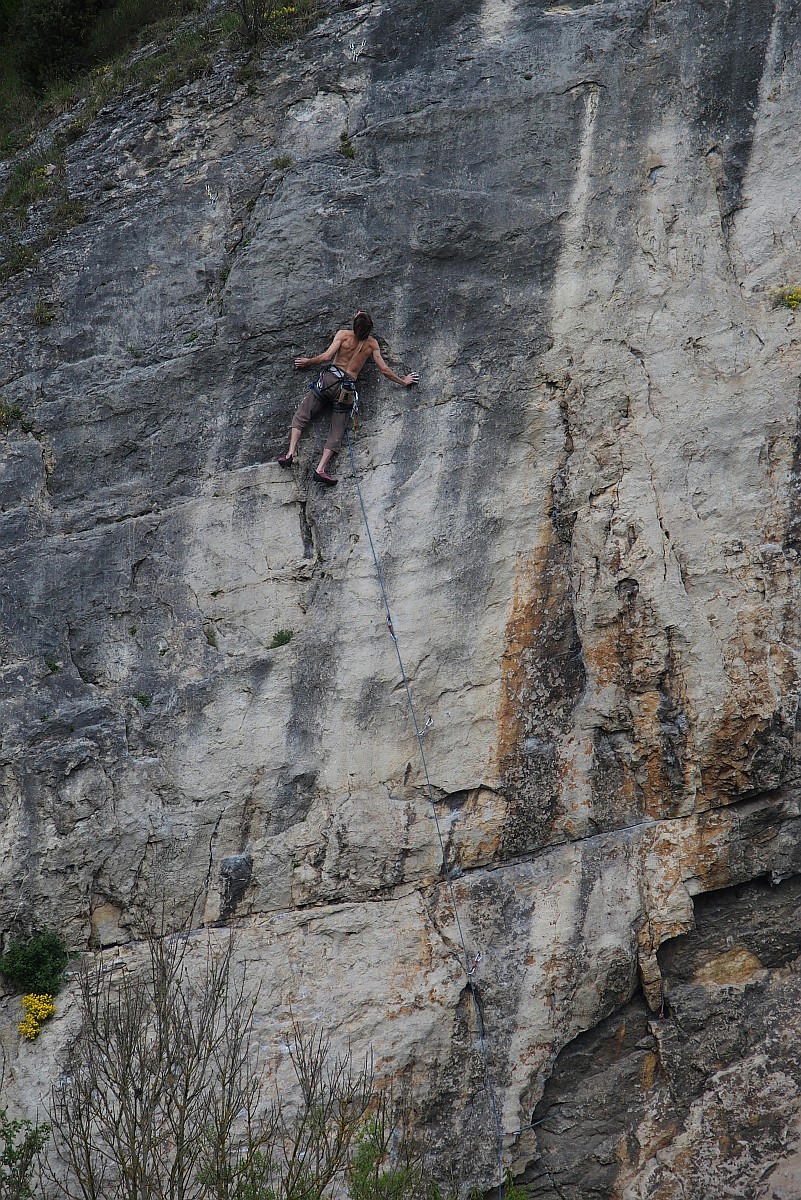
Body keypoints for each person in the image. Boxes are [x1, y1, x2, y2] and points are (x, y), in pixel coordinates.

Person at [278, 311, 419, 485]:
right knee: (337, 429)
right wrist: (403, 381)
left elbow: (327, 356)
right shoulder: (372, 344)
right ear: (369, 329)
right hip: (347, 388)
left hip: (329, 380)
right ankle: (320, 469)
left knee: (302, 414)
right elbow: (384, 370)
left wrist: (308, 361)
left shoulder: (343, 335)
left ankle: (290, 453)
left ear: (354, 325)